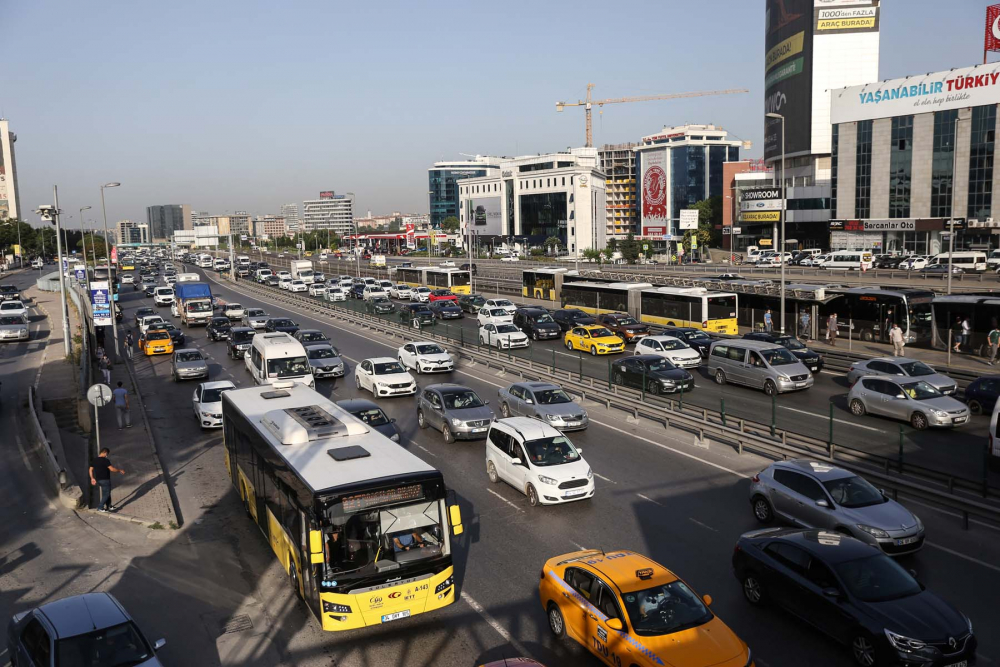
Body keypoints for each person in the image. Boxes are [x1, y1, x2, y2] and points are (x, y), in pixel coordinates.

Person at [89, 447, 125, 512]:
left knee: (106, 493)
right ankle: (100, 507)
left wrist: (92, 478)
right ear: (105, 453)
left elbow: (90, 469)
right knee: (106, 494)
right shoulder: (105, 460)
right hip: (105, 479)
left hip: (99, 480)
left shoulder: (94, 460)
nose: (106, 455)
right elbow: (112, 469)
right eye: (107, 454)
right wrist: (119, 470)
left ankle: (109, 506)